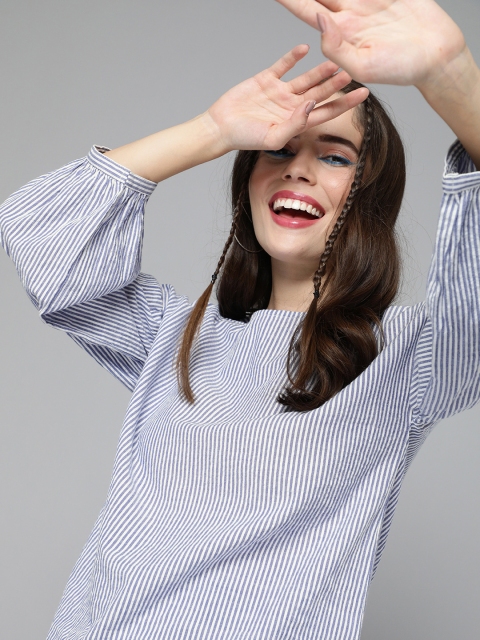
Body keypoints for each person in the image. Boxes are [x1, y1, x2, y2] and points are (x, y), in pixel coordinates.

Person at [1, 0, 479, 637]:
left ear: (370, 195)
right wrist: (213, 130)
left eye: (335, 156)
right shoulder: (175, 336)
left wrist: (450, 71)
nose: (299, 168)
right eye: (277, 149)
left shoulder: (410, 359)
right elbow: (43, 240)